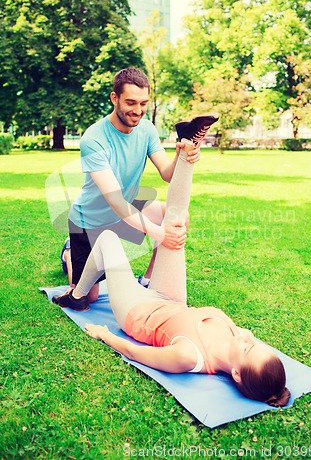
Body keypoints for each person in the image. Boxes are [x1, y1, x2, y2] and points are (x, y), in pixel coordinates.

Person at [52, 137, 291, 407]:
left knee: (107, 240)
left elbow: (135, 352)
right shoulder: (237, 337)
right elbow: (245, 341)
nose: (249, 339)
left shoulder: (190, 357)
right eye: (256, 343)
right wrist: (246, 342)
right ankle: (189, 149)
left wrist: (104, 334)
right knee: (174, 225)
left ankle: (77, 293)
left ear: (236, 374)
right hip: (170, 299)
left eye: (249, 347)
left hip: (138, 311)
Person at [53, 67, 218, 309]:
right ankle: (68, 252)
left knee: (176, 217)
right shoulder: (94, 139)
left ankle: (148, 280)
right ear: (114, 98)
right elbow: (116, 201)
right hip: (90, 221)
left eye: (143, 103)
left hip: (125, 212)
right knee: (88, 298)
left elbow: (167, 174)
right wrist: (158, 234)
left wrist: (184, 155)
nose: (138, 110)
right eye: (130, 102)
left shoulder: (147, 129)